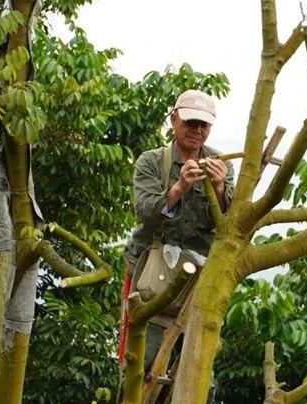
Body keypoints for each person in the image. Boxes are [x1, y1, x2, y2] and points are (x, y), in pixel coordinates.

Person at [119, 89, 234, 388]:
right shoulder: (152, 161)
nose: (197, 130)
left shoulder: (222, 165)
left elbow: (231, 226)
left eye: (203, 125)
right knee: (139, 365)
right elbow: (144, 212)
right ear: (174, 120)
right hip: (150, 274)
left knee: (195, 372)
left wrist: (219, 189)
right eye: (190, 122)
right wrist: (179, 188)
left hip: (197, 280)